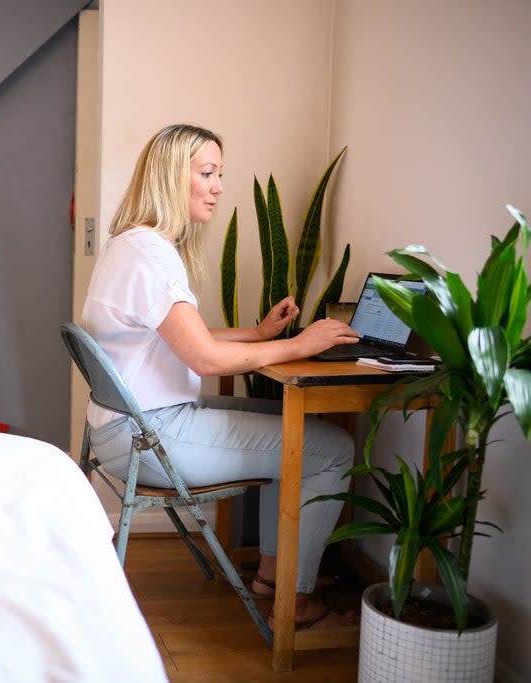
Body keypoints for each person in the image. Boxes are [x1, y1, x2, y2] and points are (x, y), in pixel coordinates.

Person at [82, 123, 360, 630]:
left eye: (219, 174)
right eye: (207, 173)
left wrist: (256, 335)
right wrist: (302, 344)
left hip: (126, 431)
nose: (217, 186)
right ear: (171, 177)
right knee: (332, 450)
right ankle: (291, 604)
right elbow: (205, 361)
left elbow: (180, 337)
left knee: (291, 424)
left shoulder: (130, 244)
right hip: (153, 437)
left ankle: (273, 583)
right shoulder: (153, 255)